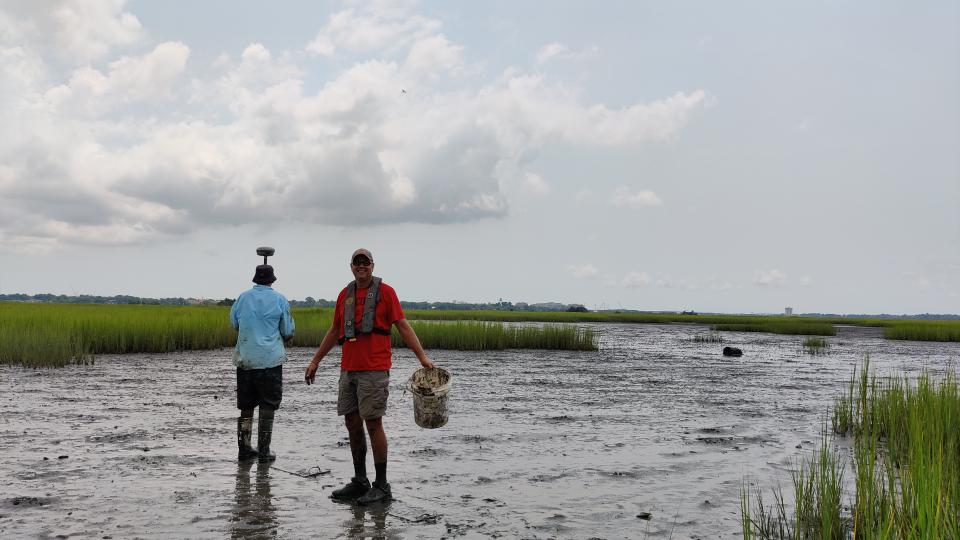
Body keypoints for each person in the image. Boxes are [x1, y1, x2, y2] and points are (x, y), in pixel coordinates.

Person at [304, 248, 434, 505]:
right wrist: (315, 361)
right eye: (357, 262)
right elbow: (333, 331)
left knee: (373, 423)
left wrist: (423, 358)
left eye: (366, 262)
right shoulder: (344, 295)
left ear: (373, 266)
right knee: (352, 423)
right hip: (348, 369)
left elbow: (403, 327)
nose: (361, 266)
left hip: (374, 369)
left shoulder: (387, 293)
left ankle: (382, 485)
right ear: (351, 266)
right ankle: (360, 481)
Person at [230, 263, 295, 463]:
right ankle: (264, 452)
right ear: (272, 280)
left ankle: (244, 450)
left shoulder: (242, 298)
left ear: (255, 279)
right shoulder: (280, 300)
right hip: (271, 361)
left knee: (246, 406)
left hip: (246, 360)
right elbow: (288, 332)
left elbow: (234, 324)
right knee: (268, 405)